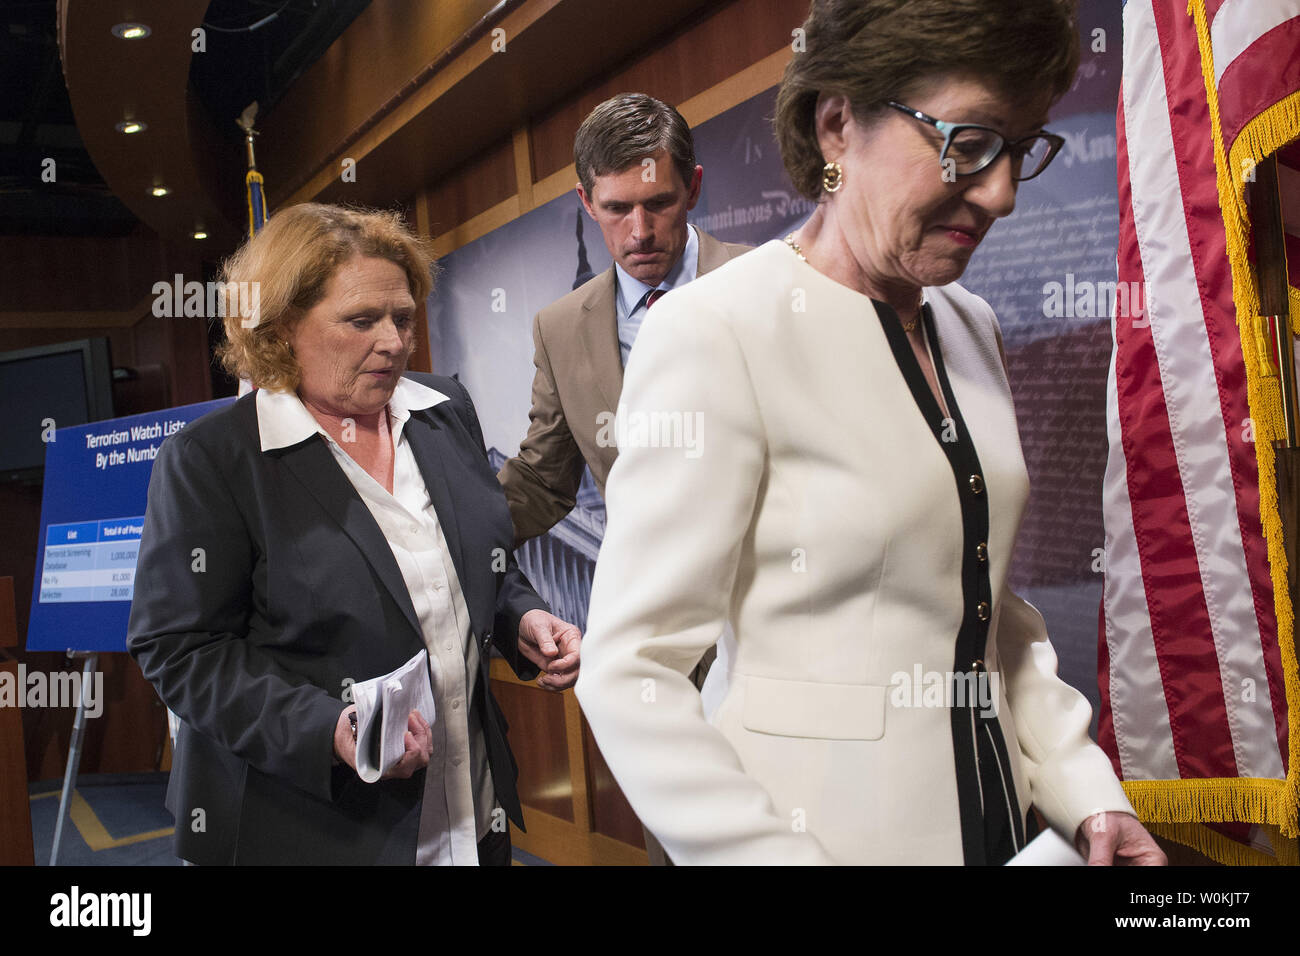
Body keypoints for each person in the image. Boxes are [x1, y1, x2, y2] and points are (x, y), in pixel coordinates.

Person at [575, 0, 1166, 865]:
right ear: (838, 124)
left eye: (1019, 148)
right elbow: (632, 672)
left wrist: (1086, 794)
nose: (999, 193)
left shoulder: (970, 326)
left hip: (1000, 833)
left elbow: (987, 611)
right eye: (967, 143)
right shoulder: (716, 329)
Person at [128, 203, 581, 866]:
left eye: (402, 316)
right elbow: (181, 649)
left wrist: (522, 616)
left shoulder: (442, 410)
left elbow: (474, 554)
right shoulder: (213, 459)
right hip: (313, 827)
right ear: (280, 327)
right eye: (361, 320)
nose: (395, 341)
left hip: (469, 803)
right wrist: (328, 730)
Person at [497, 92, 749, 543]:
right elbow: (542, 483)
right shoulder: (559, 331)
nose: (640, 232)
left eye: (658, 203)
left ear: (692, 188)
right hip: (652, 595)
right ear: (587, 202)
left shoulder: (767, 281)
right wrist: (439, 541)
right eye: (617, 208)